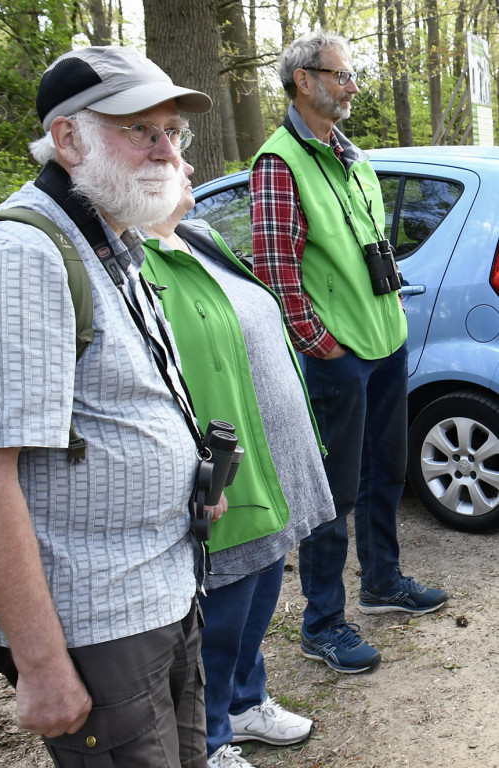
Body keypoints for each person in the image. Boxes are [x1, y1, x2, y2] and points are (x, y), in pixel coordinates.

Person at [0, 45, 223, 768]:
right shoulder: (19, 257)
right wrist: (42, 666)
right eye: (138, 130)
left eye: (171, 133)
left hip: (160, 591)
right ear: (66, 138)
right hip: (93, 623)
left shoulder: (112, 238)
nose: (164, 150)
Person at [249, 31, 448, 675]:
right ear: (304, 80)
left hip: (384, 341)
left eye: (352, 74)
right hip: (335, 354)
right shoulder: (278, 163)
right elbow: (277, 271)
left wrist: (391, 322)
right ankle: (322, 623)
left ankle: (383, 582)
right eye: (341, 74)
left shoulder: (351, 157)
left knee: (385, 472)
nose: (352, 84)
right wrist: (319, 343)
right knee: (330, 493)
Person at [142, 162, 336, 768]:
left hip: (270, 448)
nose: (188, 164)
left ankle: (246, 703)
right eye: (168, 152)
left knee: (266, 576)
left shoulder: (197, 236)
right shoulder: (134, 261)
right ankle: (213, 735)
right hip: (222, 461)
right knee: (225, 604)